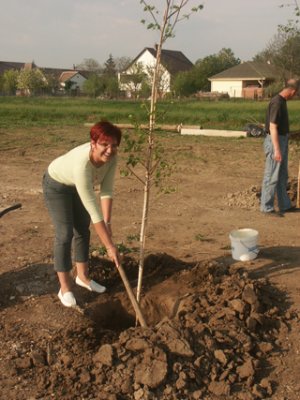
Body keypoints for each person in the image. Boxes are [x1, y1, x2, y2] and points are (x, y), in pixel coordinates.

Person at [42, 121, 122, 307]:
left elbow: (107, 191)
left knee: (83, 230)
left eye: (114, 145)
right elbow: (94, 210)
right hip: (57, 185)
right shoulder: (82, 165)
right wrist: (110, 247)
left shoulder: (112, 158)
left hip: (77, 186)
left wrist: (108, 224)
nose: (110, 150)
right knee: (64, 234)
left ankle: (83, 277)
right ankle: (65, 288)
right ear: (93, 143)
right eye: (104, 144)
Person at [260, 78, 300, 215]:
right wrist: (277, 149)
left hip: (281, 140)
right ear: (293, 91)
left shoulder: (282, 101)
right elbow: (273, 127)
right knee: (271, 176)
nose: (296, 96)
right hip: (275, 142)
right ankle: (266, 207)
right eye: (296, 93)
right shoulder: (277, 102)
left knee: (282, 175)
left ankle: (285, 205)